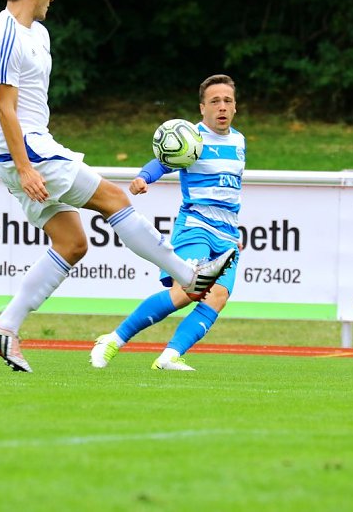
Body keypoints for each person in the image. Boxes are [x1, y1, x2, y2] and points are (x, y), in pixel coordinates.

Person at [0, 0, 234, 372]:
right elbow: (6, 110)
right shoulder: (3, 36)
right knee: (115, 199)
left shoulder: (37, 34)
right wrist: (25, 167)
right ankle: (189, 277)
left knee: (72, 243)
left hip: (27, 148)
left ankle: (6, 326)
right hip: (26, 151)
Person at [90, 74, 246, 371]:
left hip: (227, 235)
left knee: (219, 296)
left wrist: (234, 229)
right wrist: (142, 178)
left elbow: (230, 191)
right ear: (203, 108)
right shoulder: (192, 137)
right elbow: (163, 160)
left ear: (235, 106)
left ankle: (170, 355)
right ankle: (113, 339)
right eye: (215, 102)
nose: (222, 107)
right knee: (188, 291)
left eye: (227, 101)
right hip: (197, 227)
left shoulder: (239, 141)